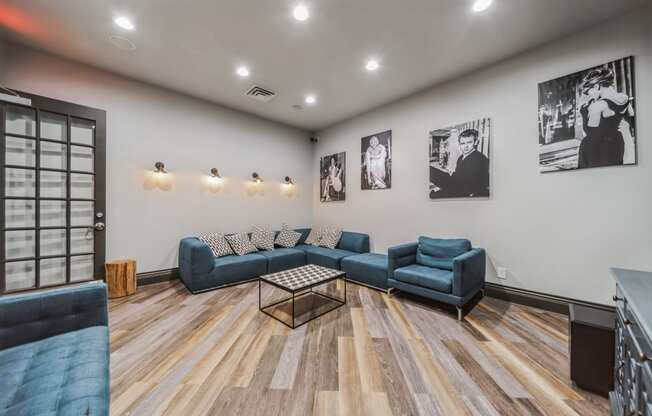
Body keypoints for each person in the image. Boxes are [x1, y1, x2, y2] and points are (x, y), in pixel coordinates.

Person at [577, 67, 635, 168]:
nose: (588, 96)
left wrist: (583, 112)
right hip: (621, 145)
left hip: (602, 151)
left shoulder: (598, 106)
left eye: (588, 92)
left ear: (596, 86)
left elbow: (589, 133)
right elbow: (632, 121)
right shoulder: (624, 98)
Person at [430, 129, 489, 198]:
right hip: (458, 186)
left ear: (476, 142)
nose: (465, 146)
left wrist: (443, 189)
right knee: (431, 172)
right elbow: (458, 177)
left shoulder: (479, 159)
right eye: (462, 143)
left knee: (434, 193)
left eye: (469, 142)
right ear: (459, 144)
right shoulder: (461, 157)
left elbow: (468, 187)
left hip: (466, 192)